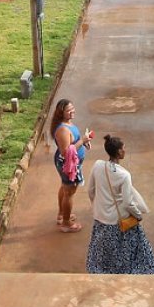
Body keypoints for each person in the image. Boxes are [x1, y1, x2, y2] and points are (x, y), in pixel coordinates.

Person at [85, 135, 154, 274]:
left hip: (100, 219)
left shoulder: (97, 166)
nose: (125, 150)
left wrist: (97, 206)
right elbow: (127, 202)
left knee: (102, 253)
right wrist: (138, 215)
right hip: (118, 221)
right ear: (119, 152)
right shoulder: (124, 175)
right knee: (132, 251)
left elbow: (90, 190)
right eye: (123, 148)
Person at [50, 98, 92, 233]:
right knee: (69, 192)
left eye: (72, 108)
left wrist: (83, 142)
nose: (72, 111)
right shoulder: (62, 129)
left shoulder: (68, 124)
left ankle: (62, 214)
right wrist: (82, 140)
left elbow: (74, 142)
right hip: (68, 164)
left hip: (72, 163)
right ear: (61, 113)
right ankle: (66, 223)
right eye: (68, 110)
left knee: (64, 186)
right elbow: (66, 151)